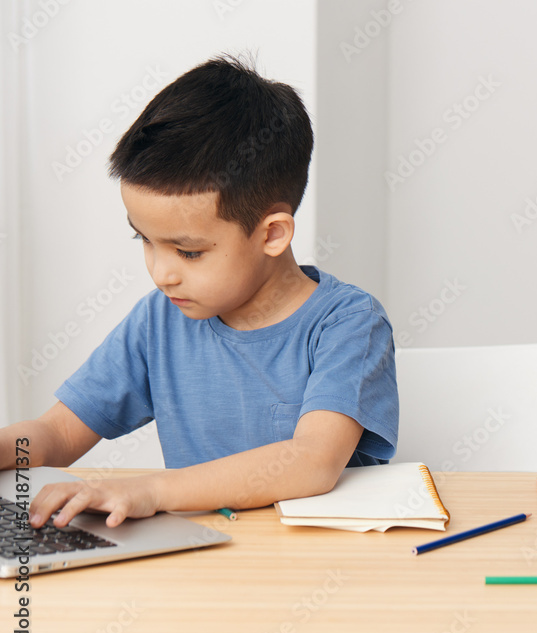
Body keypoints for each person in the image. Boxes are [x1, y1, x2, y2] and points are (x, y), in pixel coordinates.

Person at [0, 55, 398, 527]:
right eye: (144, 240)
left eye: (188, 252)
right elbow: (57, 434)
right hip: (199, 556)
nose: (161, 273)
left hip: (316, 558)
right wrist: (8, 447)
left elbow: (312, 461)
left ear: (272, 234)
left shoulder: (349, 324)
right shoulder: (160, 321)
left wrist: (150, 490)